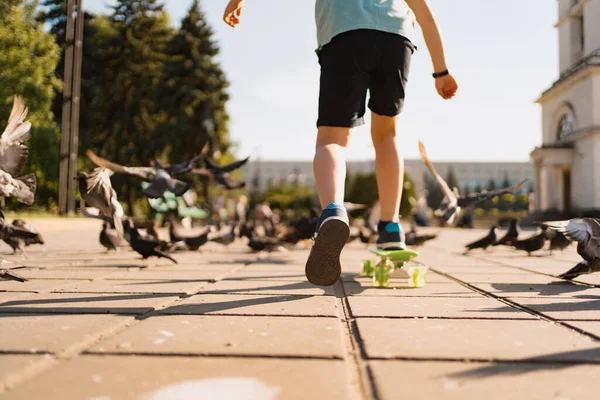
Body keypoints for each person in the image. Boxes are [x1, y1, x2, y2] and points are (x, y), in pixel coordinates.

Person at [223, 0, 458, 286]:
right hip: (395, 40)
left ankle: (333, 211)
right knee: (387, 136)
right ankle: (391, 228)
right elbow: (426, 16)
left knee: (332, 139)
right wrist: (441, 71)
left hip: (346, 36)